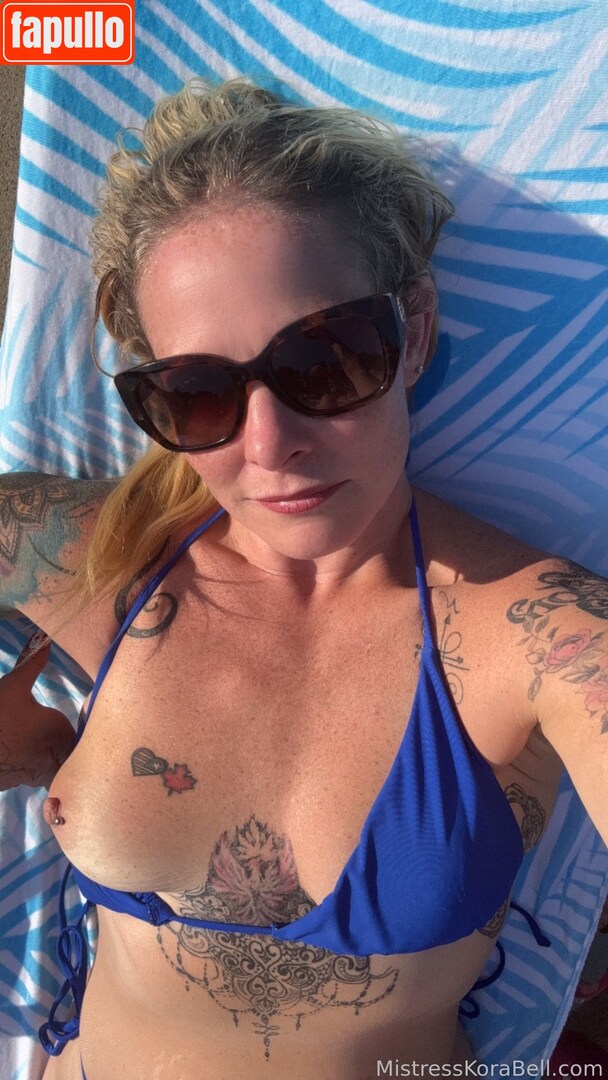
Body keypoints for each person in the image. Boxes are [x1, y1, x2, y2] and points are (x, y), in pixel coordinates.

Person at [0, 77, 606, 1080]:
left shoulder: (538, 635)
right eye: (198, 393)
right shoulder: (101, 562)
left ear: (413, 332)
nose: (269, 444)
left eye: (325, 361)